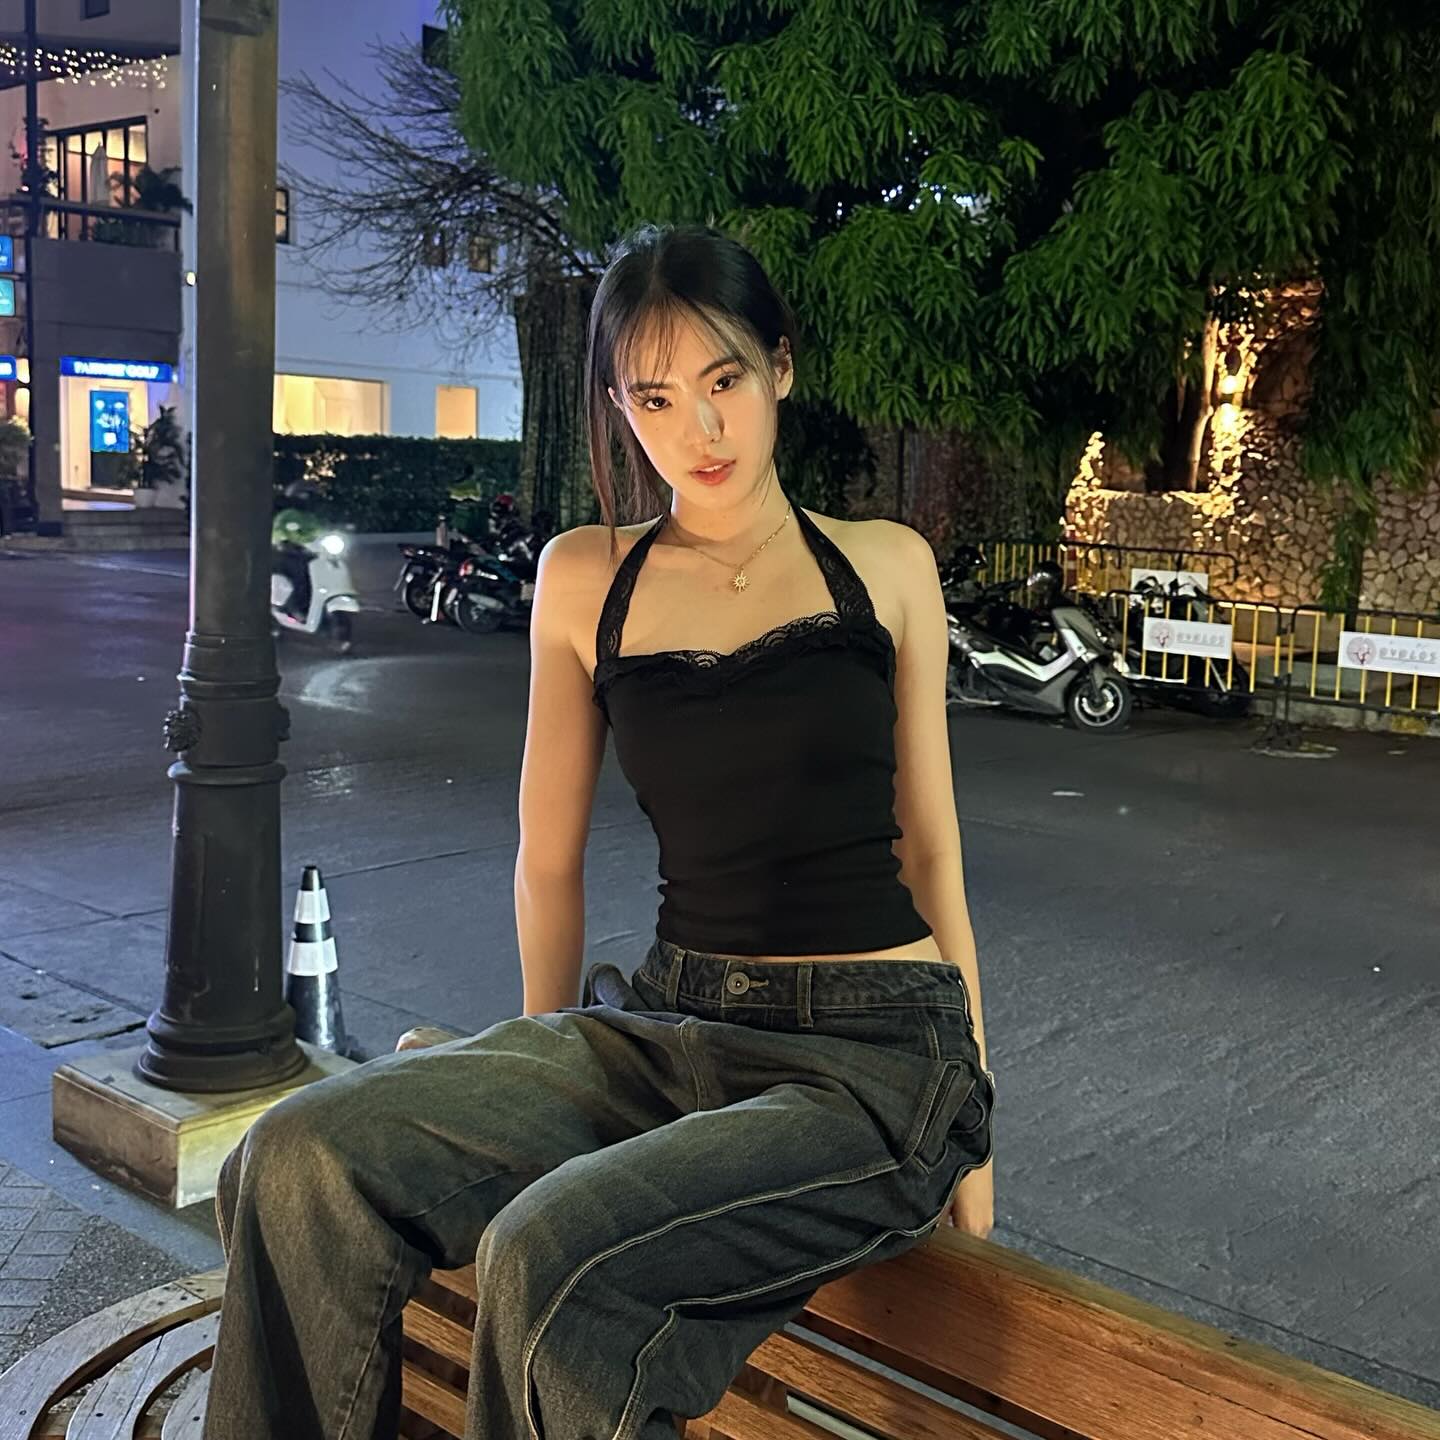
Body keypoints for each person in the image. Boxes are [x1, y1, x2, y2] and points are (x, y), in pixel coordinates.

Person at [203, 223, 994, 1440]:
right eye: (656, 398)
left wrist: (978, 1151)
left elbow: (933, 851)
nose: (700, 431)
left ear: (781, 367)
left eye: (725, 381)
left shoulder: (884, 566)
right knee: (295, 1159)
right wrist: (534, 1064)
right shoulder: (588, 578)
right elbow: (547, 859)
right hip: (663, 1030)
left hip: (871, 1057)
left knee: (554, 1260)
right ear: (620, 408)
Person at [270, 481, 328, 621]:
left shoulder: (311, 517)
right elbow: (279, 534)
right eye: (309, 495)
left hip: (310, 554)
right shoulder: (287, 515)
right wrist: (288, 542)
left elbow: (320, 532)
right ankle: (296, 607)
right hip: (287, 555)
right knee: (302, 575)